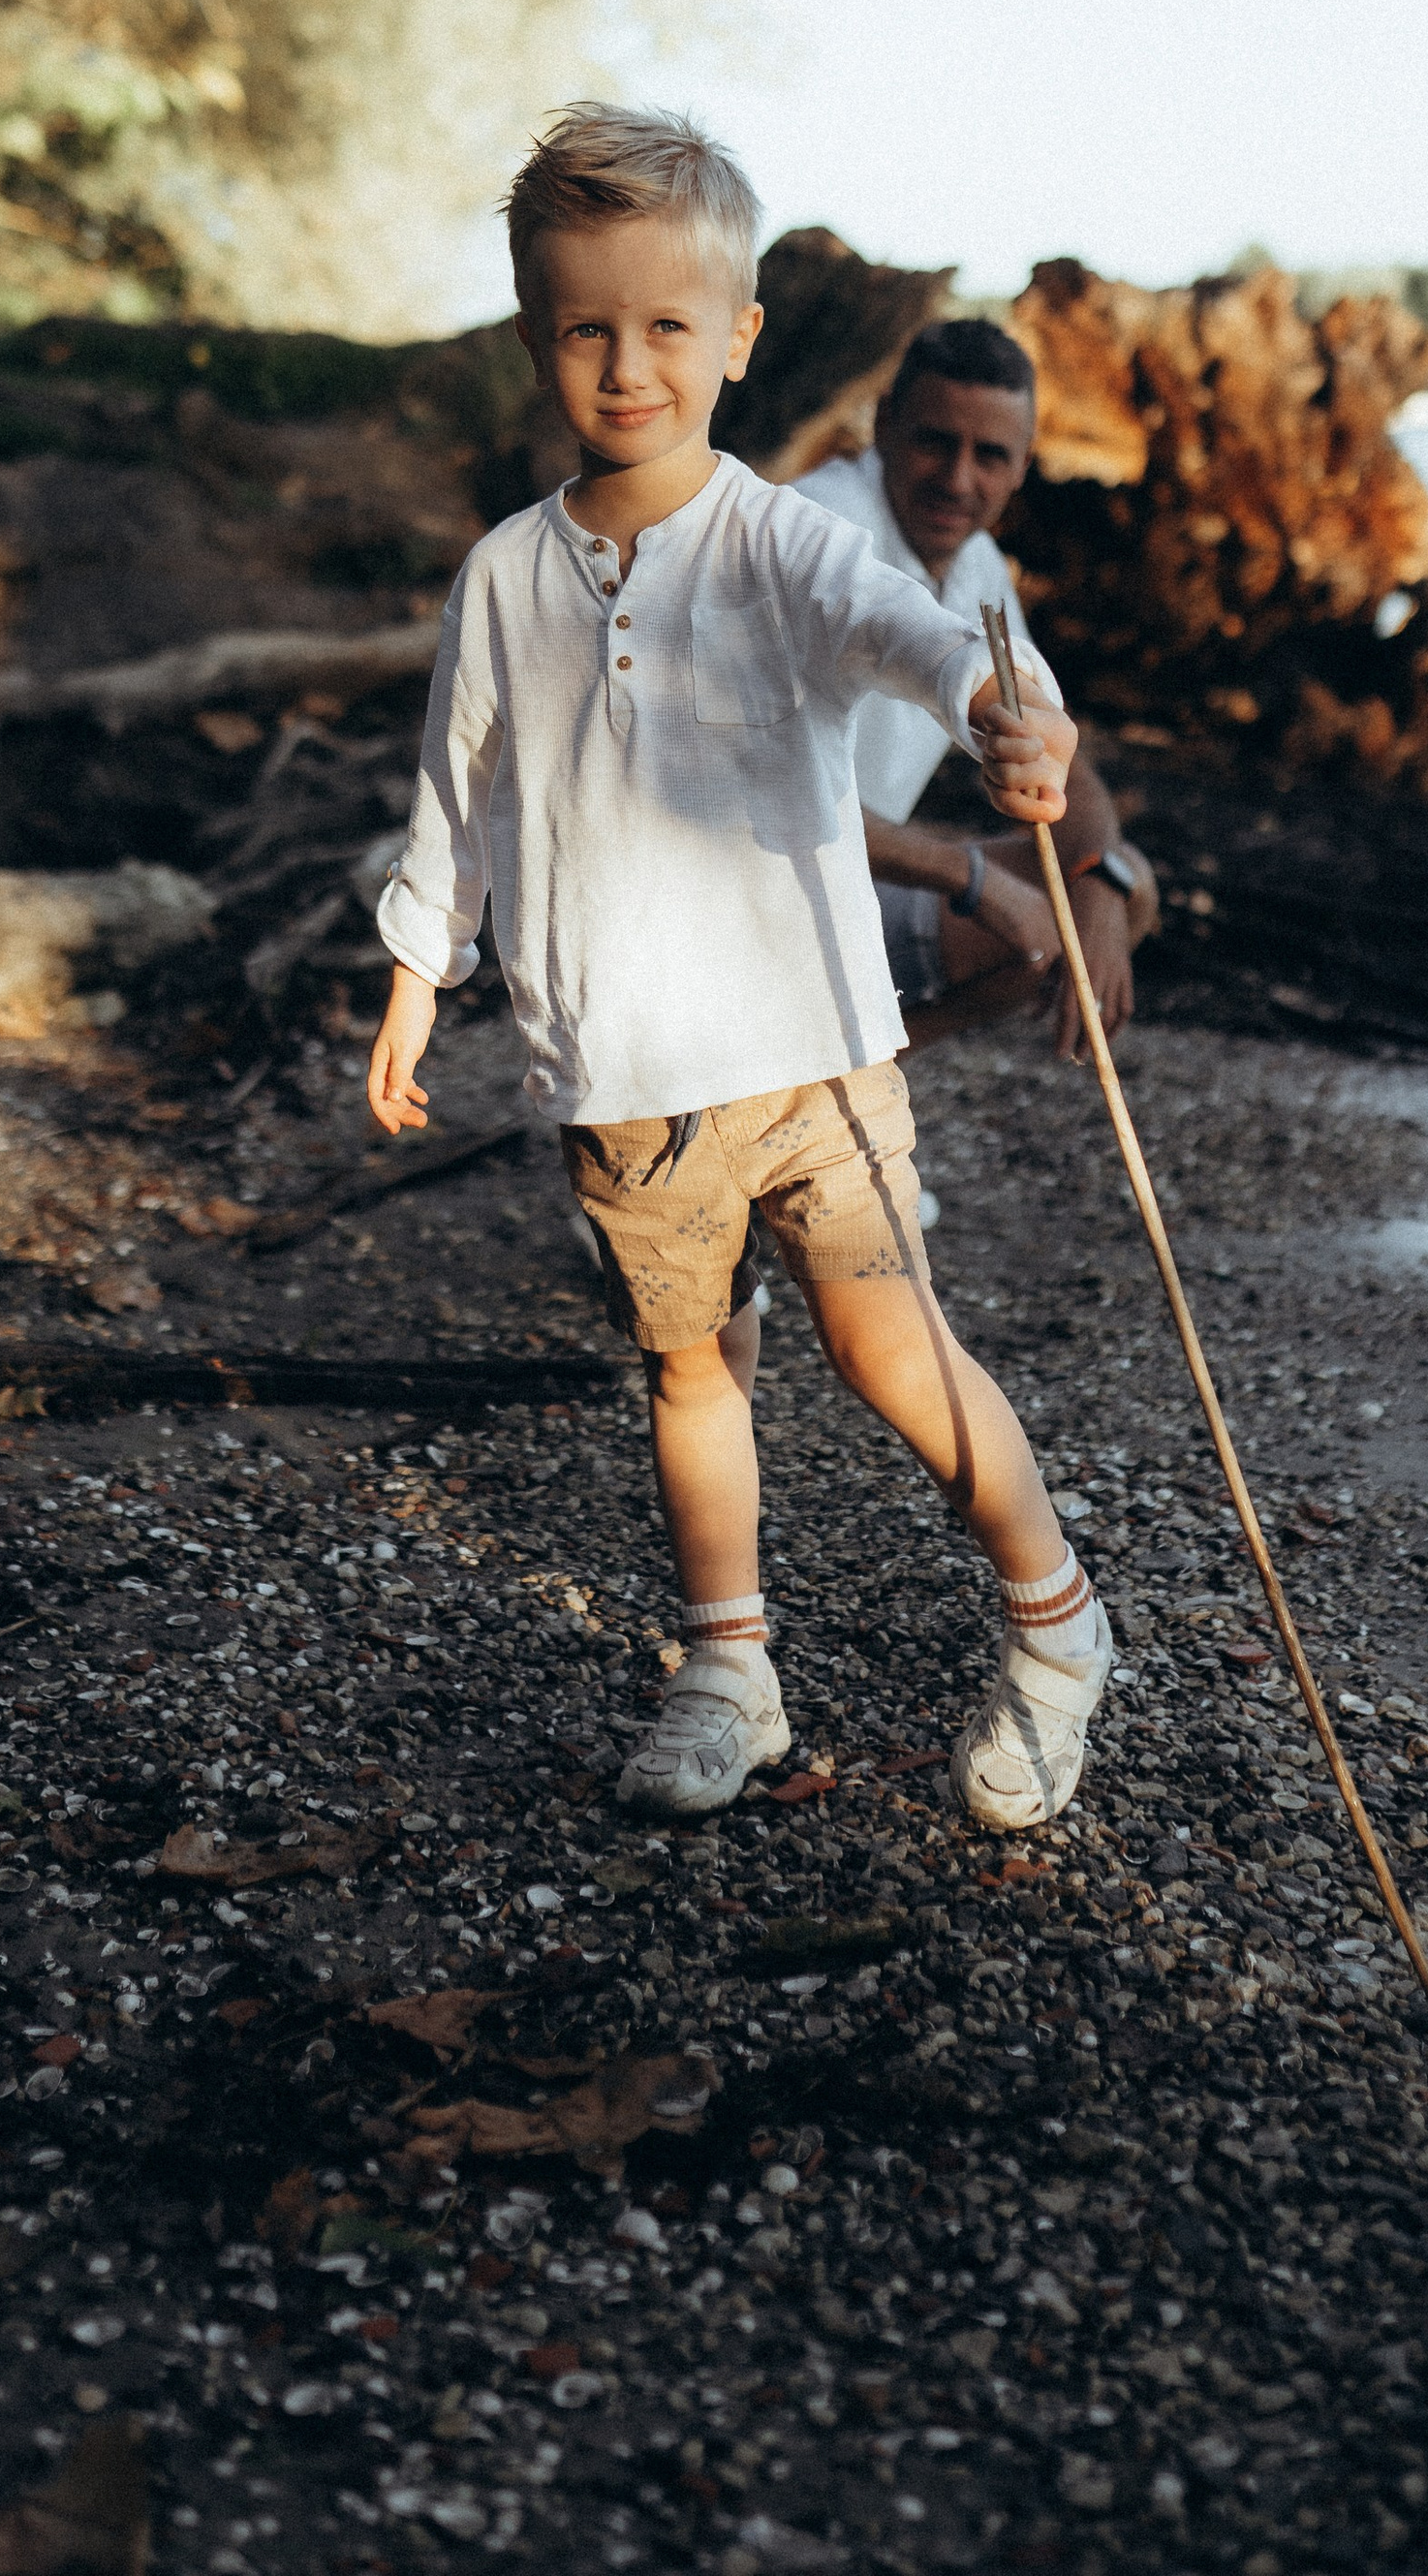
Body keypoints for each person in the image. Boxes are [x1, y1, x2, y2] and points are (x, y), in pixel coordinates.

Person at [365, 107, 1114, 1833]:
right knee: (692, 1369)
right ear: (535, 334)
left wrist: (1002, 711)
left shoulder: (775, 540)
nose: (628, 366)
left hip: (811, 1046)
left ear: (740, 340)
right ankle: (732, 1665)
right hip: (619, 1064)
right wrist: (422, 968)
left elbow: (913, 635)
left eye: (667, 329)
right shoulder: (503, 578)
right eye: (585, 329)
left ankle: (1060, 1622)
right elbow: (455, 792)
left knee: (886, 1347)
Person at [797, 320, 1158, 1056]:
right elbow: (774, 794)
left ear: (1024, 464)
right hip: (751, 898)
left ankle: (857, 1087)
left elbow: (1063, 762)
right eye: (936, 441)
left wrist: (1098, 878)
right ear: (885, 422)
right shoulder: (816, 533)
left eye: (989, 455)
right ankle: (820, 1097)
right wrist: (972, 877)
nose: (958, 481)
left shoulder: (976, 562)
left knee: (1124, 889)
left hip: (849, 888)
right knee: (1024, 909)